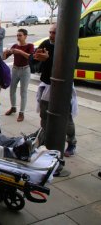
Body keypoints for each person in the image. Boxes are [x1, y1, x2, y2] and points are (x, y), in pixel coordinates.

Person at [33, 24, 78, 157]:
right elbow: (34, 58)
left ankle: (71, 142)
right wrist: (36, 59)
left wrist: (48, 59)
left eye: (54, 33)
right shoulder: (46, 43)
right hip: (46, 84)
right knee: (44, 116)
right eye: (50, 32)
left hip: (62, 88)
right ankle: (45, 141)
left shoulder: (71, 46)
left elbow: (68, 66)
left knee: (67, 118)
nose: (51, 35)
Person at [3, 29, 34, 122]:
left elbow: (30, 57)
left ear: (25, 36)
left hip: (25, 70)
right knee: (12, 89)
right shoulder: (15, 46)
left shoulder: (30, 46)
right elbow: (4, 58)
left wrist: (19, 52)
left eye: (20, 35)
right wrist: (5, 52)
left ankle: (21, 112)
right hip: (15, 69)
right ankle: (13, 107)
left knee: (23, 92)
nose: (18, 37)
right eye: (17, 35)